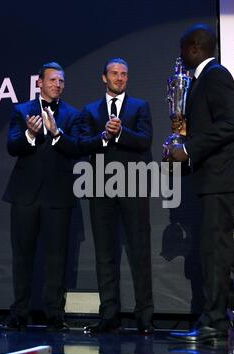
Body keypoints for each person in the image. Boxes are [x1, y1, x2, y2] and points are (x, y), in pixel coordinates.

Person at [166, 24, 234, 341]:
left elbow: (230, 125)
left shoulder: (215, 75)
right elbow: (212, 127)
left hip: (224, 174)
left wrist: (188, 149)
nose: (179, 56)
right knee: (215, 249)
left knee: (216, 250)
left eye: (181, 49)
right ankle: (215, 320)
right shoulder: (201, 81)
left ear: (194, 48)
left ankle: (215, 321)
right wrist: (183, 138)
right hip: (215, 176)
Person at [3, 62, 81, 331]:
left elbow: (78, 149)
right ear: (39, 82)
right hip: (25, 194)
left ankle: (54, 314)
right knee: (22, 256)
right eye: (52, 80)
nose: (57, 84)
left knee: (57, 257)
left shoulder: (72, 114)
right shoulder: (22, 110)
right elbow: (13, 146)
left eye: (61, 81)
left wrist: (57, 132)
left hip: (58, 196)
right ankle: (20, 312)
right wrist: (30, 133)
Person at [79, 58, 154, 334]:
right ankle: (108, 315)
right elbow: (82, 144)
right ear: (104, 77)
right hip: (100, 187)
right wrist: (103, 136)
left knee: (139, 251)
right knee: (104, 253)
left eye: (124, 74)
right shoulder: (89, 110)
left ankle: (144, 317)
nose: (120, 78)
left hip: (133, 185)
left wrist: (121, 132)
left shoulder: (139, 106)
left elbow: (145, 140)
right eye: (114, 73)